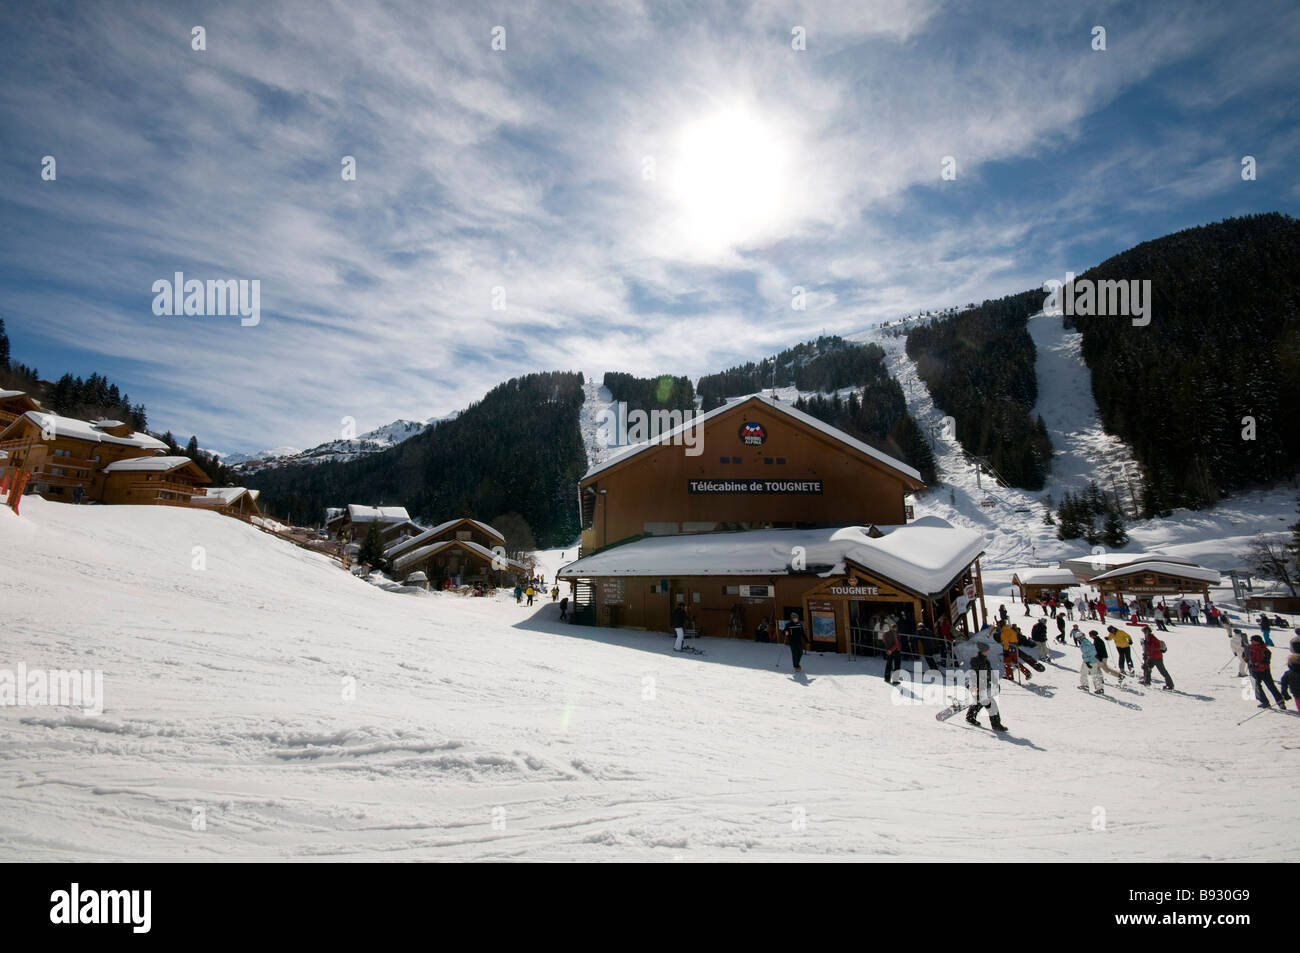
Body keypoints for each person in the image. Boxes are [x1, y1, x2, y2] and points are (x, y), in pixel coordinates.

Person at [965, 642, 1008, 731]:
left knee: (979, 703)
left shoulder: (986, 661)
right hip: (978, 687)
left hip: (985, 687)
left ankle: (970, 717)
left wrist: (995, 683)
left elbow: (990, 673)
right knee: (992, 705)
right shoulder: (976, 661)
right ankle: (996, 724)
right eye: (987, 650)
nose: (988, 651)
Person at [1248, 635, 1285, 709]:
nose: (1251, 642)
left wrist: (1258, 664)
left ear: (1257, 641)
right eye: (1251, 641)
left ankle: (1280, 702)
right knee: (1257, 687)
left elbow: (1267, 660)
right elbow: (1245, 656)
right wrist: (1248, 660)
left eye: (1253, 641)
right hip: (1255, 670)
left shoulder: (1264, 649)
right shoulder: (1249, 648)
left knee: (1270, 686)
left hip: (1264, 670)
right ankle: (1265, 702)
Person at [1079, 629, 1104, 694]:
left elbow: (1086, 653)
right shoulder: (1087, 641)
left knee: (1085, 672)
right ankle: (1099, 688)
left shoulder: (1084, 644)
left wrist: (1087, 662)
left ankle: (1086, 685)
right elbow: (1093, 651)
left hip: (1089, 661)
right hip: (1093, 660)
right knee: (1093, 673)